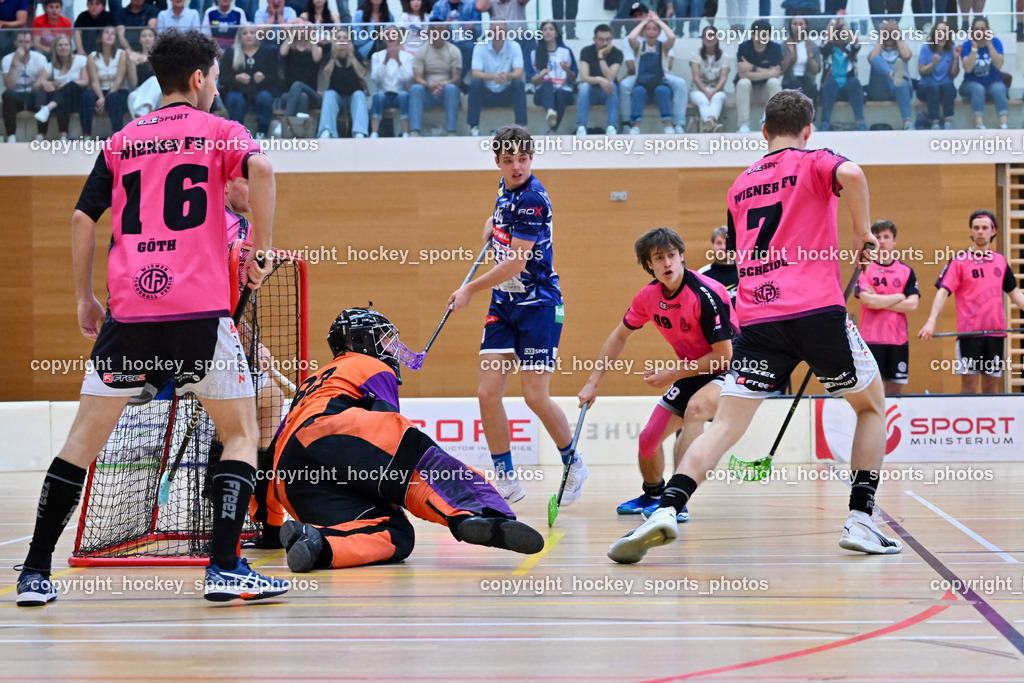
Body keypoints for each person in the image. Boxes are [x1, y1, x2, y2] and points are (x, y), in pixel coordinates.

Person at [15, 29, 288, 607]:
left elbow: (82, 220)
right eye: (214, 77)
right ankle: (225, 567)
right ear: (198, 79)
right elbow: (261, 172)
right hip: (198, 314)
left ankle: (35, 574)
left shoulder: (121, 139)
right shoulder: (220, 132)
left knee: (79, 445)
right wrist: (261, 253)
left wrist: (85, 299)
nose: (216, 86)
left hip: (128, 315)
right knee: (241, 433)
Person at [608, 89, 904, 565]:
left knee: (723, 427)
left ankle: (665, 509)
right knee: (870, 408)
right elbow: (852, 172)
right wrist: (861, 231)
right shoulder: (814, 161)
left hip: (759, 319)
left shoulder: (740, 184)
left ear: (763, 130)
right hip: (816, 311)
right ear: (807, 131)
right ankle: (861, 520)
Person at [270, 307, 546, 572]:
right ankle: (479, 511)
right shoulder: (370, 365)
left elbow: (272, 454)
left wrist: (269, 527)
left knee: (396, 533)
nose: (390, 348)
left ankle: (319, 543)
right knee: (420, 464)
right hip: (336, 431)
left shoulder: (310, 384)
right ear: (359, 340)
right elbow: (386, 428)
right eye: (383, 339)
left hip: (290, 475)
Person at [448, 126, 587, 505]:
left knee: (534, 396)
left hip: (539, 305)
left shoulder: (533, 199)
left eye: (523, 159)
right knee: (487, 393)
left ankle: (573, 462)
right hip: (504, 306)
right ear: (498, 162)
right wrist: (491, 227)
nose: (516, 166)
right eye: (508, 160)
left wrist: (469, 290)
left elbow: (515, 263)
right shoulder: (504, 189)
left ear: (531, 158)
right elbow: (499, 224)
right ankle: (507, 478)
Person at [578, 227, 736, 524]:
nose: (667, 263)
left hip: (731, 366)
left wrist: (673, 373)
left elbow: (723, 356)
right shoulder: (648, 297)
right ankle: (653, 494)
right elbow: (619, 337)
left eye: (672, 256)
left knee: (696, 408)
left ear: (682, 257)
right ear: (649, 264)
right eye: (659, 258)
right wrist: (592, 383)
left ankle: (677, 500)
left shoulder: (705, 293)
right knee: (648, 441)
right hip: (694, 367)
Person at [918, 209, 1024, 394]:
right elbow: (943, 293)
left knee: (991, 386)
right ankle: (967, 421)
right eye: (976, 228)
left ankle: (990, 422)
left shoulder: (1000, 261)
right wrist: (931, 321)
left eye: (984, 228)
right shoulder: (960, 261)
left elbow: (1015, 293)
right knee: (969, 386)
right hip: (969, 336)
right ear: (971, 231)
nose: (980, 232)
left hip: (996, 335)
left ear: (993, 231)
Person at [855, 220, 919, 395]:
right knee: (871, 391)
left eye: (886, 237)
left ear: (894, 240)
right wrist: (899, 297)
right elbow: (869, 302)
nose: (882, 241)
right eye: (877, 237)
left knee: (895, 390)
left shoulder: (906, 271)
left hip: (898, 340)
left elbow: (913, 305)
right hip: (871, 341)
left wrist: (879, 299)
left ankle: (890, 423)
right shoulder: (864, 268)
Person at [219, 25, 281, 139]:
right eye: (245, 33)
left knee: (265, 97)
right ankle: (238, 134)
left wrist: (264, 77)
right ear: (240, 37)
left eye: (252, 32)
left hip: (260, 91)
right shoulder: (231, 52)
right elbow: (223, 77)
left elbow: (275, 78)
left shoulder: (267, 52)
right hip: (237, 91)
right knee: (234, 98)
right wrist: (236, 78)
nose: (249, 36)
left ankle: (262, 133)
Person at [467, 22, 526, 136]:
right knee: (475, 84)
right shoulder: (480, 46)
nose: (498, 33)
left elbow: (519, 72)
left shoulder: (514, 46)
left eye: (501, 30)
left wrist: (506, 77)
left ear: (507, 32)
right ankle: (473, 127)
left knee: (519, 84)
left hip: (506, 92)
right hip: (486, 94)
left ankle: (521, 127)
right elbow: (475, 73)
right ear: (489, 32)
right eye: (495, 30)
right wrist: (493, 77)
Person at [409, 19, 462, 137]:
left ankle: (451, 131)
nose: (437, 33)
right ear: (428, 33)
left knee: (452, 89)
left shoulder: (454, 51)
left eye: (440, 30)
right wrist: (428, 84)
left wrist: (444, 84)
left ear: (444, 32)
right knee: (415, 89)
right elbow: (417, 77)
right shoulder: (421, 51)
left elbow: (456, 78)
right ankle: (415, 131)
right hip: (427, 91)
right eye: (433, 30)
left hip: (446, 91)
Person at [31, 33, 88, 139]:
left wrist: (68, 81)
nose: (63, 48)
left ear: (71, 47)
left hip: (77, 98)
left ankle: (47, 109)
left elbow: (85, 82)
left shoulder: (81, 60)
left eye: (66, 45)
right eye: (60, 45)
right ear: (55, 48)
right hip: (61, 100)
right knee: (59, 98)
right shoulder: (50, 66)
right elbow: (35, 87)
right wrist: (44, 82)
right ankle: (62, 136)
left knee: (70, 85)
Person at [626, 11, 674, 135]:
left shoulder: (663, 46)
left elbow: (672, 37)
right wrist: (644, 22)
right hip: (642, 84)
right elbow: (631, 37)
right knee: (638, 91)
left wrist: (658, 21)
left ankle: (668, 125)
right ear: (644, 32)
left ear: (659, 33)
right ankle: (635, 126)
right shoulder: (639, 46)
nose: (651, 32)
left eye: (654, 29)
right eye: (648, 29)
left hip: (659, 83)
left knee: (663, 91)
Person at [317, 28, 370, 138]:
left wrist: (351, 56)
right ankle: (327, 131)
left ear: (349, 42)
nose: (342, 40)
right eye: (338, 38)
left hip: (353, 96)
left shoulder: (356, 54)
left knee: (360, 94)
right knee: (329, 94)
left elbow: (362, 74)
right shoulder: (329, 55)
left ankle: (359, 132)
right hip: (337, 97)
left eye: (345, 38)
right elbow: (326, 74)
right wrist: (333, 57)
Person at [527, 21, 576, 135]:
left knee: (558, 92)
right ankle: (550, 112)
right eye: (544, 29)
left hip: (563, 92)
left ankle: (553, 128)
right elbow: (532, 81)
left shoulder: (566, 52)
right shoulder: (534, 53)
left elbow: (574, 78)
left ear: (556, 33)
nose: (548, 32)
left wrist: (568, 71)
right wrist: (540, 76)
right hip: (542, 93)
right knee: (547, 83)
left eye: (551, 29)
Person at [734, 19, 782, 134]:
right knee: (743, 82)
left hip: (765, 89)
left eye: (764, 34)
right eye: (757, 34)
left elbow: (776, 74)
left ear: (769, 36)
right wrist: (768, 73)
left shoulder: (775, 48)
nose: (760, 38)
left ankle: (769, 121)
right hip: (748, 90)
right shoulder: (744, 47)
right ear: (752, 34)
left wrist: (752, 68)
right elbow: (742, 74)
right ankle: (743, 125)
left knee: (774, 83)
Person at [959, 17, 1008, 130]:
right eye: (977, 29)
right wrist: (974, 49)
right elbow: (968, 68)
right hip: (970, 84)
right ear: (972, 32)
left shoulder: (996, 43)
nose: (980, 32)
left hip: (992, 82)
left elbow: (999, 64)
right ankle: (979, 124)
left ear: (988, 30)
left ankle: (1003, 124)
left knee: (1000, 89)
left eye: (983, 29)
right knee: (978, 89)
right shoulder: (967, 45)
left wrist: (990, 46)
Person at [575, 23, 621, 136]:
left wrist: (601, 56)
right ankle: (581, 127)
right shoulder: (586, 51)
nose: (605, 43)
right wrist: (599, 79)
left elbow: (610, 78)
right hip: (591, 93)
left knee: (613, 86)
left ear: (612, 39)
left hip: (608, 93)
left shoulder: (617, 53)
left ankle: (612, 127)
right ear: (594, 39)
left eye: (608, 40)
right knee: (584, 87)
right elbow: (584, 78)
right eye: (601, 40)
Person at [866, 19, 913, 130]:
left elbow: (907, 56)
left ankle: (907, 123)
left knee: (902, 83)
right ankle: (891, 74)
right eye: (886, 34)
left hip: (898, 90)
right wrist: (881, 38)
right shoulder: (875, 46)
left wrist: (897, 36)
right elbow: (872, 59)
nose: (889, 36)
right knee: (877, 59)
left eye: (892, 33)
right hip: (879, 90)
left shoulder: (902, 46)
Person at [82, 25, 128, 137]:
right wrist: (101, 98)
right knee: (86, 97)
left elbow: (119, 79)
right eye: (106, 32)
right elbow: (94, 81)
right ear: (100, 37)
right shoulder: (92, 56)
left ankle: (117, 135)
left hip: (118, 91)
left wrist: (106, 98)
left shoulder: (121, 54)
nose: (110, 35)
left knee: (113, 98)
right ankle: (86, 135)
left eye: (113, 34)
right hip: (99, 91)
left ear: (116, 38)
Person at [818, 17, 864, 131]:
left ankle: (860, 121)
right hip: (832, 84)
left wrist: (844, 25)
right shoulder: (828, 49)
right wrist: (834, 22)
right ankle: (825, 123)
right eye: (837, 33)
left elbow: (856, 43)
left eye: (842, 33)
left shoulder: (850, 49)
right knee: (827, 86)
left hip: (848, 86)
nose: (840, 36)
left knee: (855, 82)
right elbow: (824, 42)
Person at [2, 30, 47, 143]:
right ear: (15, 43)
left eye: (27, 42)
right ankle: (12, 136)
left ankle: (41, 135)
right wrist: (15, 62)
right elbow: (10, 86)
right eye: (21, 42)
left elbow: (42, 83)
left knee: (43, 93)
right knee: (7, 94)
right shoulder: (7, 59)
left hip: (33, 96)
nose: (24, 45)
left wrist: (39, 84)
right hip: (16, 97)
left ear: (31, 43)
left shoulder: (40, 59)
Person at [369, 25, 413, 137]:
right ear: (384, 38)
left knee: (404, 96)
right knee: (377, 96)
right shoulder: (377, 56)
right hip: (384, 93)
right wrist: (385, 61)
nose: (390, 37)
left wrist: (398, 61)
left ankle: (405, 133)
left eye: (394, 34)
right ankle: (374, 133)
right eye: (387, 35)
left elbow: (407, 78)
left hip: (400, 93)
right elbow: (375, 78)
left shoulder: (407, 57)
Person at [916, 21, 960, 130]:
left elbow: (953, 74)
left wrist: (956, 58)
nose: (941, 35)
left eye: (944, 32)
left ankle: (948, 122)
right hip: (926, 87)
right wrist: (933, 64)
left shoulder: (952, 49)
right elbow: (921, 71)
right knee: (933, 86)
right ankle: (934, 122)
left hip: (945, 88)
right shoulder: (926, 48)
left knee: (948, 85)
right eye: (938, 32)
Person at [689, 25, 731, 133]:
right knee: (703, 101)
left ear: (717, 38)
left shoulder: (724, 56)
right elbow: (696, 77)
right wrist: (706, 92)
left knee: (718, 98)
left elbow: (723, 78)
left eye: (711, 35)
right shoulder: (695, 54)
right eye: (706, 36)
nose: (709, 38)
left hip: (717, 89)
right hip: (698, 90)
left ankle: (708, 123)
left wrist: (713, 92)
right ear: (702, 39)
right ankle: (712, 124)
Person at [780, 15, 819, 109]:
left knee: (812, 90)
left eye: (801, 24)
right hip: (790, 80)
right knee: (793, 91)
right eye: (795, 24)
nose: (798, 27)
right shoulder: (784, 45)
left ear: (806, 26)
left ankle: (810, 122)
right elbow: (781, 70)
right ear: (790, 26)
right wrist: (790, 54)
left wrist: (810, 56)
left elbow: (816, 71)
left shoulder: (812, 45)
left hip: (807, 80)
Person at [697, 225, 737, 301]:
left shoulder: (744, 273)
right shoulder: (702, 275)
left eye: (727, 243)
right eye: (719, 243)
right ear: (713, 246)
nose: (723, 247)